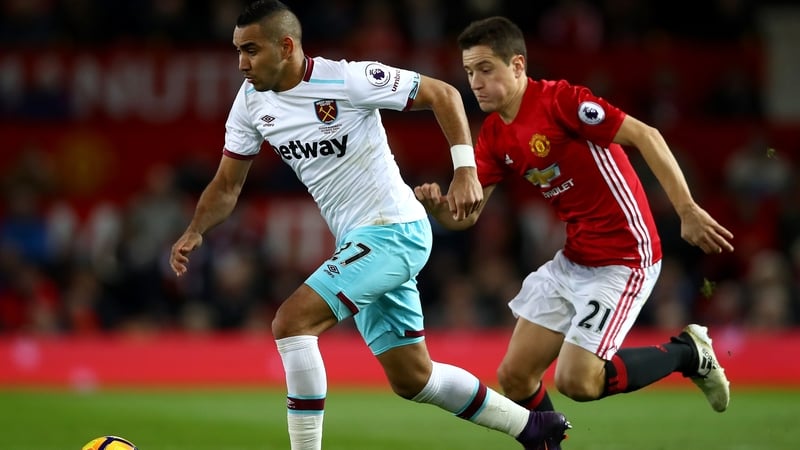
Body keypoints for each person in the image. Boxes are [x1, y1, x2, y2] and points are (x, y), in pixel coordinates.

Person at [168, 2, 570, 450]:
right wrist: (195, 230)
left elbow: (444, 95)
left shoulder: (347, 79)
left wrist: (464, 170)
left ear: (286, 46)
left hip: (394, 229)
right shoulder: (249, 104)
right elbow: (227, 185)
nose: (241, 63)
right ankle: (535, 428)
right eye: (237, 50)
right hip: (362, 240)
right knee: (413, 378)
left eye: (251, 50)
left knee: (291, 322)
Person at [414, 15, 733, 422]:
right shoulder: (494, 134)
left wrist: (686, 209)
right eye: (469, 71)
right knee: (515, 376)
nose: (474, 82)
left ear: (517, 65)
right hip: (575, 258)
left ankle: (689, 354)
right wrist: (444, 212)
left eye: (485, 69)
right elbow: (467, 218)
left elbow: (646, 135)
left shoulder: (561, 102)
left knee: (578, 382)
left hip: (625, 257)